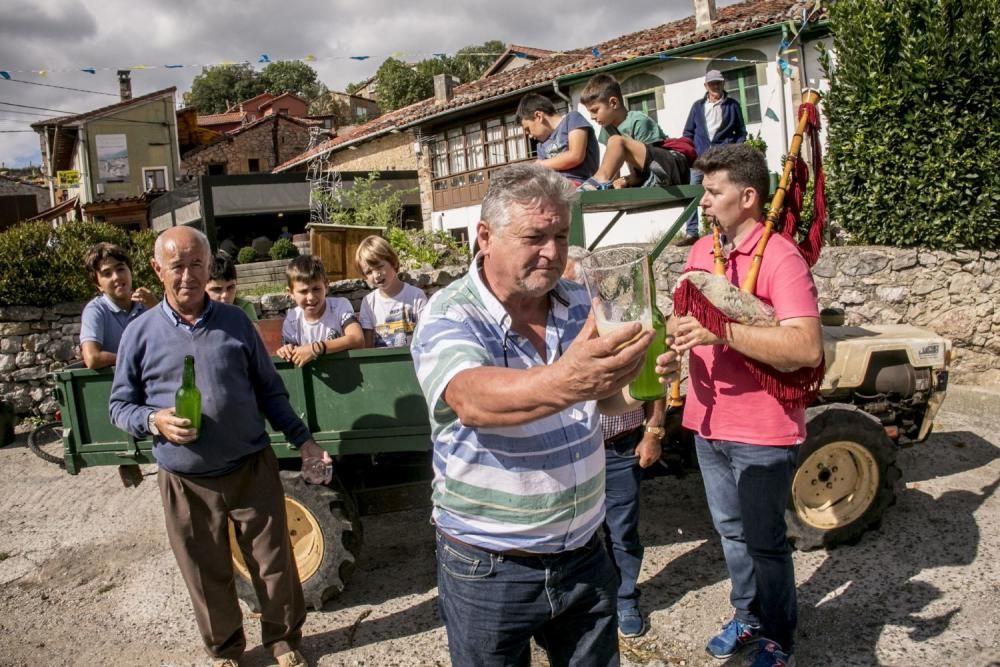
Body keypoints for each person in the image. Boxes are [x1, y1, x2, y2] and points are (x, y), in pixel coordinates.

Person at [411, 162, 667, 666]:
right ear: (485, 236)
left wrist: (639, 381)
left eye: (560, 235)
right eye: (534, 236)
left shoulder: (578, 301)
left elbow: (603, 402)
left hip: (586, 554)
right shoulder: (449, 312)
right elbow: (471, 399)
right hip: (489, 566)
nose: (552, 252)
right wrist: (569, 377)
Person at [108, 226, 331, 667]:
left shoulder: (235, 323)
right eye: (177, 266)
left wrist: (303, 440)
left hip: (250, 466)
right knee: (206, 572)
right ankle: (225, 650)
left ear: (209, 266)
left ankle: (284, 640)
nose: (187, 275)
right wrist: (153, 420)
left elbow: (269, 391)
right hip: (186, 479)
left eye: (196, 265)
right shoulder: (139, 333)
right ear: (157, 269)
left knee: (274, 564)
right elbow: (119, 406)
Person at [667, 145, 822, 667]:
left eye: (714, 192)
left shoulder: (780, 257)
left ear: (748, 197)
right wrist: (675, 342)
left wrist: (722, 332)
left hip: (762, 427)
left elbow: (805, 348)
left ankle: (779, 637)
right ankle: (748, 617)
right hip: (707, 421)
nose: (705, 202)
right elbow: (681, 320)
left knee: (765, 543)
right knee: (731, 536)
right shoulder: (698, 254)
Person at [563, 245, 666, 638]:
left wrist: (653, 431)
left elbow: (655, 376)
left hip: (620, 445)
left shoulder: (623, 320)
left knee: (622, 531)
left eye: (582, 282)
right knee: (578, 534)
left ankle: (625, 599)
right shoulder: (559, 332)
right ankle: (586, 604)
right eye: (569, 283)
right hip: (577, 450)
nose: (577, 292)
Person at [578, 73, 690, 191]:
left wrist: (629, 179)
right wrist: (614, 184)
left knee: (616, 141)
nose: (592, 117)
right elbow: (613, 164)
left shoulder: (639, 120)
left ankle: (596, 182)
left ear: (613, 103)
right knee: (615, 144)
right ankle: (600, 183)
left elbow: (652, 162)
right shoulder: (608, 128)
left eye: (595, 110)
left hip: (669, 166)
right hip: (646, 173)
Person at [680, 70, 747, 244]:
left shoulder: (732, 105)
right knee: (692, 194)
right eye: (712, 84)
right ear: (706, 86)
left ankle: (719, 231)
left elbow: (740, 132)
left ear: (723, 84)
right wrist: (689, 151)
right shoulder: (697, 106)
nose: (715, 87)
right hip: (699, 159)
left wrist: (733, 151)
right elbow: (688, 132)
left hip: (721, 159)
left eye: (718, 83)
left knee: (719, 194)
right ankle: (691, 233)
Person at [79, 242, 157, 370]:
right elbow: (92, 358)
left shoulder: (147, 304)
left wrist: (156, 308)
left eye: (120, 269)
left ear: (130, 271)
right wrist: (134, 359)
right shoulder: (96, 310)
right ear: (98, 284)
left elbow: (173, 345)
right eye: (107, 274)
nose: (116, 277)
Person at [277, 255, 364, 367]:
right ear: (291, 293)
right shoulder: (291, 320)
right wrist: (287, 351)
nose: (311, 297)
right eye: (303, 291)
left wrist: (316, 348)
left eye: (316, 289)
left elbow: (357, 339)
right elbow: (290, 355)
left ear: (326, 286)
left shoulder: (340, 306)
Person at [354, 235, 427, 348]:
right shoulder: (368, 302)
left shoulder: (416, 296)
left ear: (393, 262)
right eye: (368, 272)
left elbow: (427, 337)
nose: (376, 275)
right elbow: (367, 348)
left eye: (379, 267)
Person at [516, 93, 600, 185]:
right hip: (556, 189)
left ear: (539, 116)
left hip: (583, 184)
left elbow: (575, 156)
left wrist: (541, 165)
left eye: (528, 129)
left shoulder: (572, 119)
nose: (530, 136)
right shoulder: (541, 146)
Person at [206, 251, 258, 321]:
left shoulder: (244, 308)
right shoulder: (193, 313)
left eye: (230, 287)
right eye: (217, 289)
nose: (225, 295)